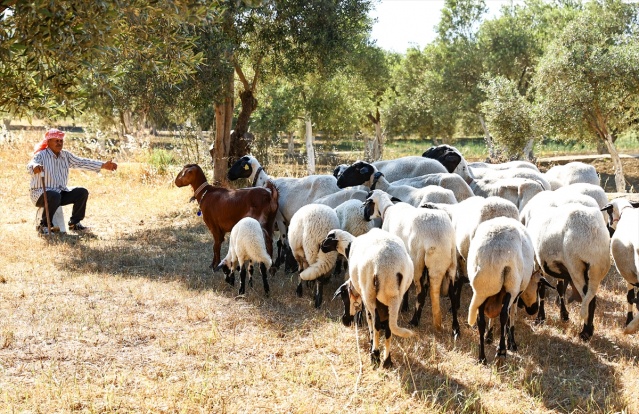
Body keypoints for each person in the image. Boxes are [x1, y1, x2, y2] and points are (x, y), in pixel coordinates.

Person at [27, 128, 118, 234]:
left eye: (61, 141)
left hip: (59, 193)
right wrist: (35, 167)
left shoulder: (65, 155)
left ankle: (75, 223)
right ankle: (44, 226)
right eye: (56, 141)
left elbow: (81, 162)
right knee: (54, 195)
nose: (59, 143)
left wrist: (103, 165)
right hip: (40, 194)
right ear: (48, 142)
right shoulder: (41, 155)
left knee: (81, 192)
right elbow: (30, 165)